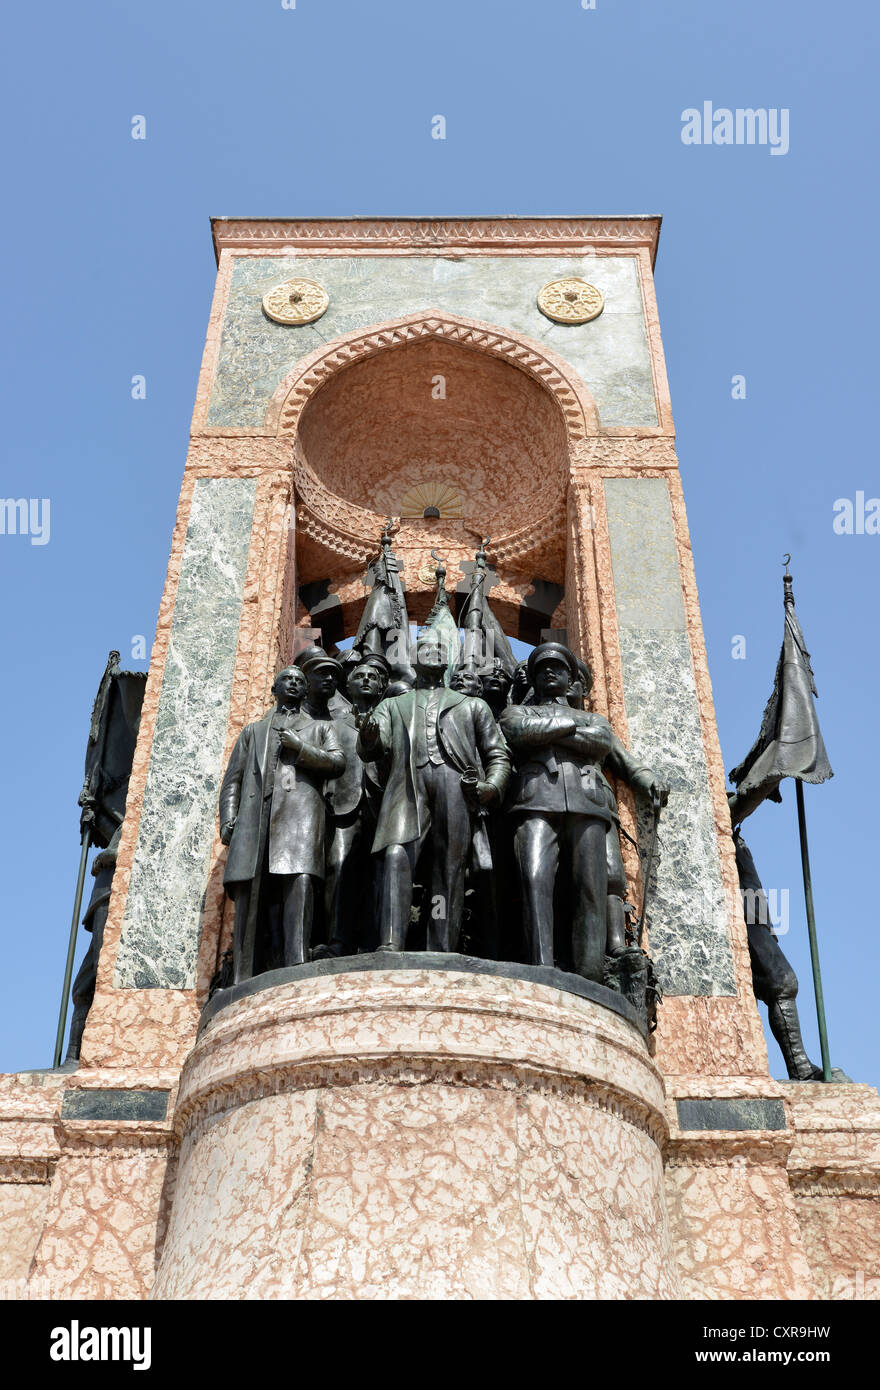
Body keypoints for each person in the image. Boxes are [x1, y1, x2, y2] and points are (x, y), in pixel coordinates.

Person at [500, 643, 668, 982]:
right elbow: (518, 733)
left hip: (587, 804)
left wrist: (549, 732)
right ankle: (541, 967)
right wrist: (570, 728)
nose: (550, 672)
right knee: (534, 878)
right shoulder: (516, 712)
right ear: (532, 678)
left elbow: (601, 742)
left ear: (570, 678)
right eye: (543, 668)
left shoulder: (595, 719)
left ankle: (589, 973)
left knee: (590, 886)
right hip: (534, 801)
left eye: (558, 668)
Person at [357, 632, 510, 953]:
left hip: (455, 788)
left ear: (448, 660)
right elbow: (373, 747)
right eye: (425, 648)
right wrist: (369, 736)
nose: (433, 653)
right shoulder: (392, 704)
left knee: (447, 869)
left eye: (440, 649)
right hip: (406, 787)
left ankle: (439, 946)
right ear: (413, 658)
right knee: (396, 855)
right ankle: (390, 940)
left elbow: (497, 754)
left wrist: (491, 787)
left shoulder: (472, 706)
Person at [218, 665, 345, 982]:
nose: (294, 684)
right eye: (287, 679)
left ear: (306, 692)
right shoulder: (253, 732)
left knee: (298, 885)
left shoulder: (319, 728)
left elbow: (337, 762)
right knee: (250, 892)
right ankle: (241, 977)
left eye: (300, 682)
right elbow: (232, 781)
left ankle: (296, 964)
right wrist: (228, 821)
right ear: (274, 689)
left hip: (298, 817)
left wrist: (300, 748)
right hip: (254, 819)